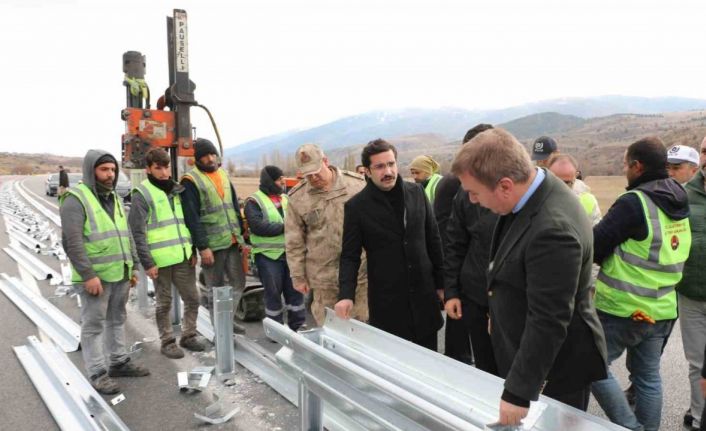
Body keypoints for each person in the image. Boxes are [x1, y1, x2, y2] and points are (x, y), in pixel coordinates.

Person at [451, 128, 607, 424]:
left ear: (505, 186)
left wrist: (518, 393)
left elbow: (549, 319)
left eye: (474, 192)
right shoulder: (533, 190)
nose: (471, 200)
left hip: (556, 370)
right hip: (528, 351)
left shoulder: (553, 230)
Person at [591, 137, 691, 431]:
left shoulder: (634, 202)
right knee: (648, 378)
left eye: (625, 164)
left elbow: (596, 245)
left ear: (637, 166)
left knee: (593, 365)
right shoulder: (679, 197)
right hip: (662, 307)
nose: (624, 170)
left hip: (622, 307)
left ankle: (629, 427)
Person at [335, 139, 444, 350]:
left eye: (391, 164)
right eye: (380, 166)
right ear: (367, 171)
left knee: (429, 365)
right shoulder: (357, 207)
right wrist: (346, 295)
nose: (388, 171)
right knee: (395, 369)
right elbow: (349, 255)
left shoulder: (417, 193)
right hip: (388, 303)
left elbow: (433, 239)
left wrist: (441, 283)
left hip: (424, 297)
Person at [60, 149, 149, 395]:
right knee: (94, 325)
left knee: (117, 319)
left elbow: (125, 234)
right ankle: (97, 372)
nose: (110, 175)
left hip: (119, 273)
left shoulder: (114, 199)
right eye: (104, 170)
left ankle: (119, 361)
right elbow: (72, 241)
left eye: (112, 170)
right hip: (95, 278)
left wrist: (132, 266)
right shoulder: (75, 199)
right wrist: (88, 275)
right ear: (91, 171)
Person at [128, 148, 204, 359]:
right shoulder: (142, 194)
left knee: (192, 298)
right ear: (148, 170)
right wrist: (147, 262)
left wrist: (192, 249)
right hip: (159, 262)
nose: (163, 172)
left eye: (166, 167)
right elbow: (137, 232)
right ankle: (167, 341)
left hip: (182, 257)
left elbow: (185, 223)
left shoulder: (176, 190)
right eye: (158, 168)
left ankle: (188, 336)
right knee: (164, 303)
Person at [285, 143, 368, 325]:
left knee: (362, 329)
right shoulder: (298, 198)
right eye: (307, 174)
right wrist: (298, 276)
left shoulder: (356, 185)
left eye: (316, 171)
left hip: (359, 277)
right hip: (324, 279)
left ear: (325, 161)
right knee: (330, 331)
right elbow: (294, 240)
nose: (313, 178)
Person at [443, 125, 498, 372]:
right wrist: (452, 291)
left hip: (512, 301)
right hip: (475, 295)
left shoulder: (516, 191)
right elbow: (455, 244)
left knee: (513, 371)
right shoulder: (463, 195)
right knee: (485, 368)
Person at [181, 138, 247, 334]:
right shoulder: (190, 181)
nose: (210, 159)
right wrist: (202, 246)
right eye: (205, 156)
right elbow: (191, 217)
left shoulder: (223, 175)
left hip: (232, 240)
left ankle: (227, 320)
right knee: (215, 288)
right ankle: (220, 330)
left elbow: (234, 206)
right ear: (198, 159)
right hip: (212, 245)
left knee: (238, 283)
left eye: (212, 154)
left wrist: (242, 235)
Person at [244, 165, 305, 331]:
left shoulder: (285, 198)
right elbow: (258, 227)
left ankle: (298, 326)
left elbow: (297, 221)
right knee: (273, 294)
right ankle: (275, 329)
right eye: (279, 180)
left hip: (289, 254)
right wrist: (287, 226)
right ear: (270, 181)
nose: (282, 182)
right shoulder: (253, 201)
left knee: (295, 292)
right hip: (268, 256)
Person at [676, 137, 706, 431]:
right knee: (697, 363)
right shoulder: (684, 195)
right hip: (691, 295)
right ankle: (699, 418)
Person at [548, 154, 602, 225]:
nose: (562, 187)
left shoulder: (588, 200)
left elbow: (596, 231)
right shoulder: (538, 199)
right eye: (557, 181)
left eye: (567, 182)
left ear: (575, 176)